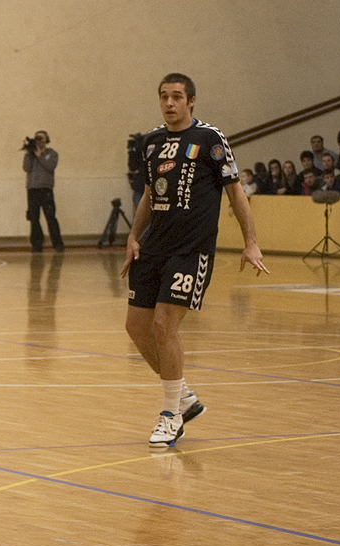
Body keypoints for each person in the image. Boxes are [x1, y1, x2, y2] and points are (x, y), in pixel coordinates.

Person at [121, 73, 269, 448]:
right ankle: (184, 396)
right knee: (136, 328)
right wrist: (134, 236)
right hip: (154, 247)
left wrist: (251, 242)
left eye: (177, 97)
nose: (169, 103)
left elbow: (235, 192)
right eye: (164, 96)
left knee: (163, 324)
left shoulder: (209, 139)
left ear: (191, 102)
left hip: (191, 249)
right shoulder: (151, 142)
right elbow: (149, 195)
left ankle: (171, 415)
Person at [22, 130, 64, 252]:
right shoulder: (31, 154)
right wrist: (28, 154)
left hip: (46, 189)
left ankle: (57, 244)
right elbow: (26, 168)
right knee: (33, 218)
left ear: (46, 141)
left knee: (50, 217)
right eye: (37, 138)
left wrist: (40, 155)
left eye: (41, 139)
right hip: (32, 189)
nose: (39, 141)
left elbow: (50, 166)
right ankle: (36, 245)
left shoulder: (52, 153)